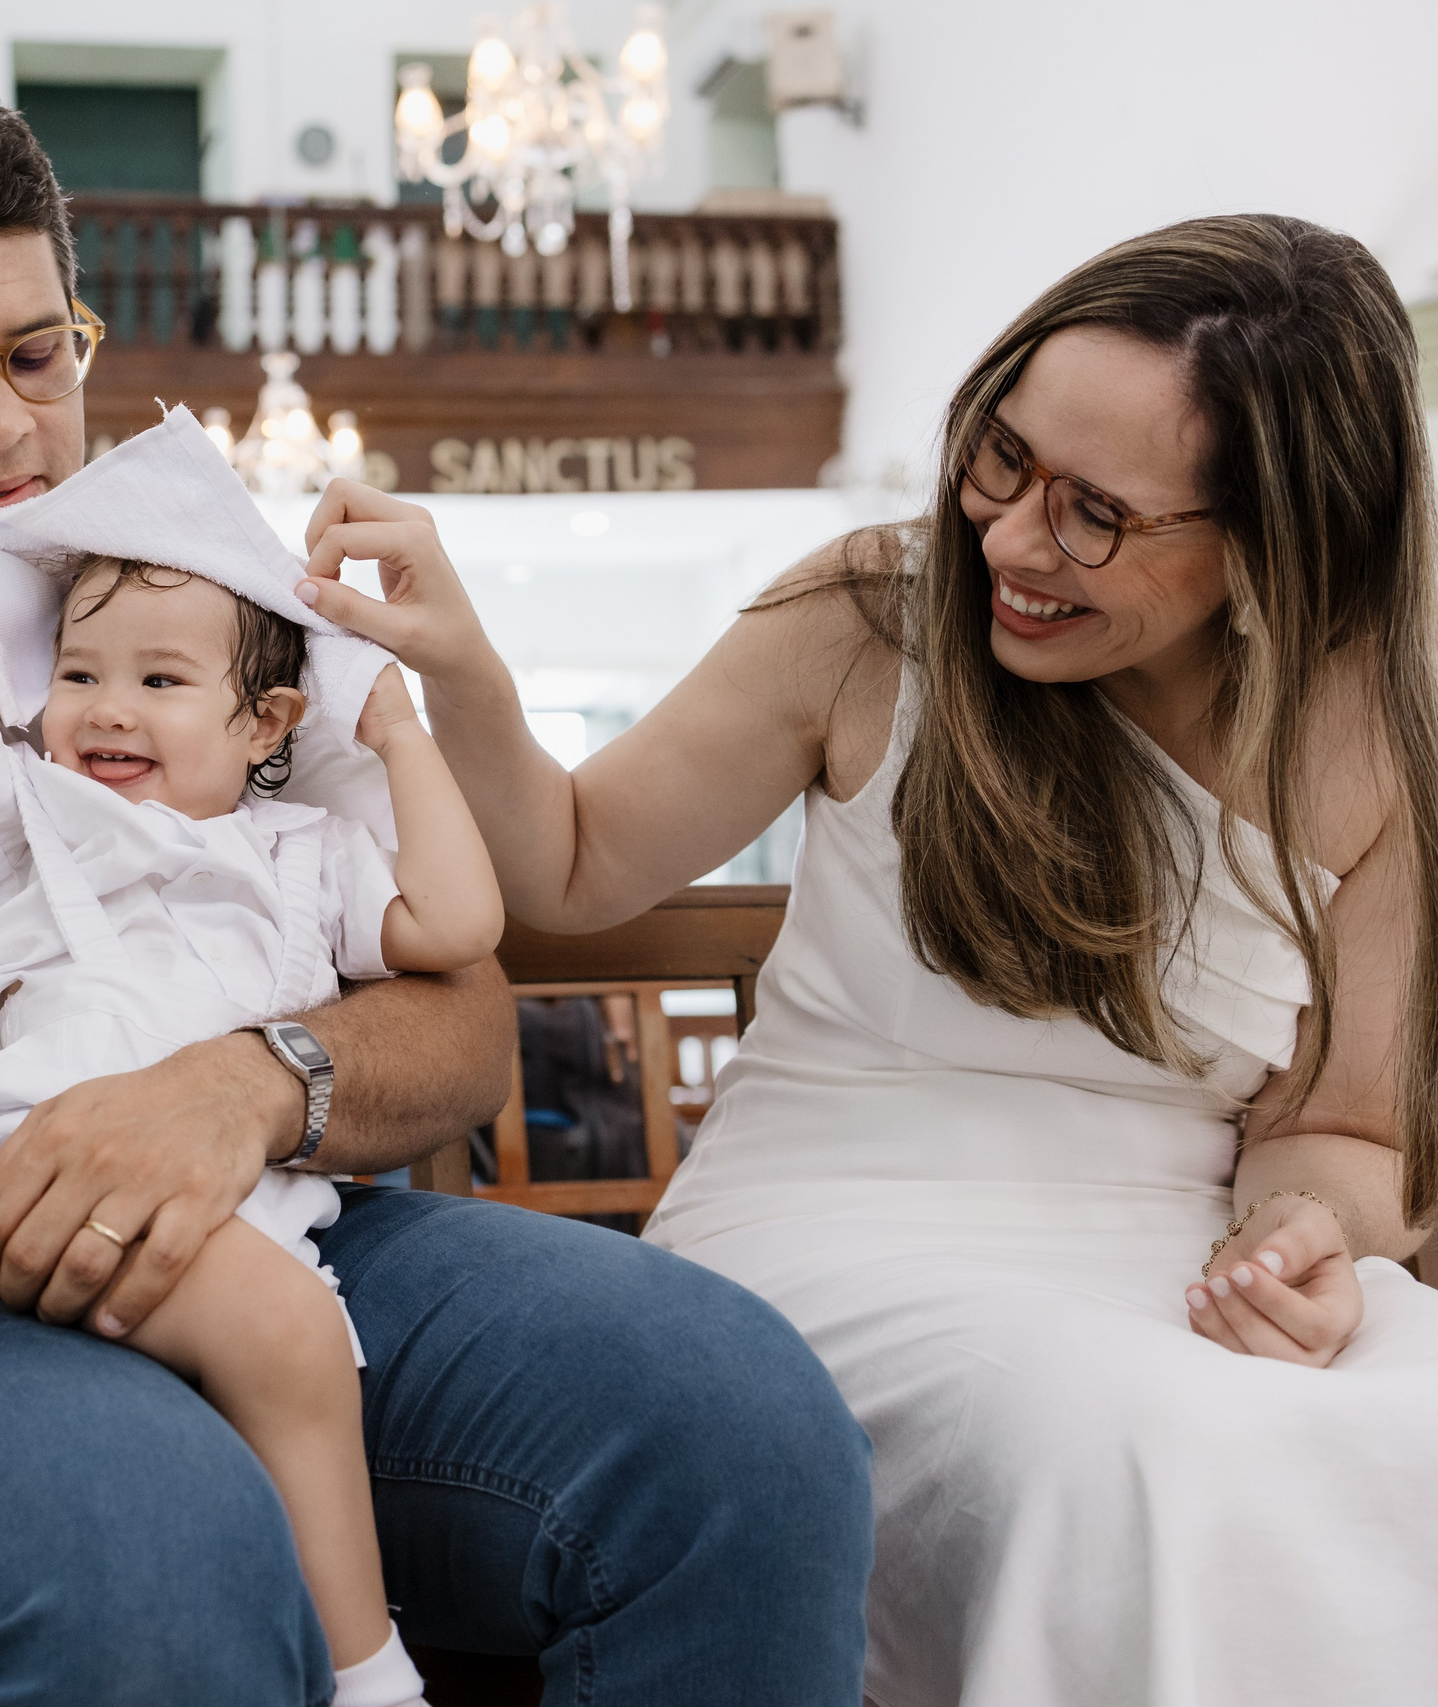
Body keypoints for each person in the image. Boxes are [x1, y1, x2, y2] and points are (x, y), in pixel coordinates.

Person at [0, 83, 873, 1706]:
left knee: (743, 1432)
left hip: (287, 1227)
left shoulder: (239, 644)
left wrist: (244, 1086)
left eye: (38, 353)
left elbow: (458, 1025)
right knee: (147, 1572)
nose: (5, 426)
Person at [295, 212, 1438, 1707]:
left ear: (1281, 540)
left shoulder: (1381, 747)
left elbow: (1342, 1132)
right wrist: (466, 673)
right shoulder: (873, 617)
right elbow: (571, 867)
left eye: (1098, 513)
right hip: (831, 1229)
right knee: (1154, 1450)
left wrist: (1301, 1239)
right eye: (1004, 457)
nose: (1013, 539)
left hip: (1173, 1249)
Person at [0, 408, 505, 1705]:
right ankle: (370, 1672)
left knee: (271, 1359)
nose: (109, 708)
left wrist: (393, 727)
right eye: (79, 670)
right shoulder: (32, 820)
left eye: (161, 680)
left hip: (245, 1184)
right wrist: (48, 540)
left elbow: (458, 923)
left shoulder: (307, 850)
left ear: (270, 719)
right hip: (52, 1167)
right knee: (285, 1334)